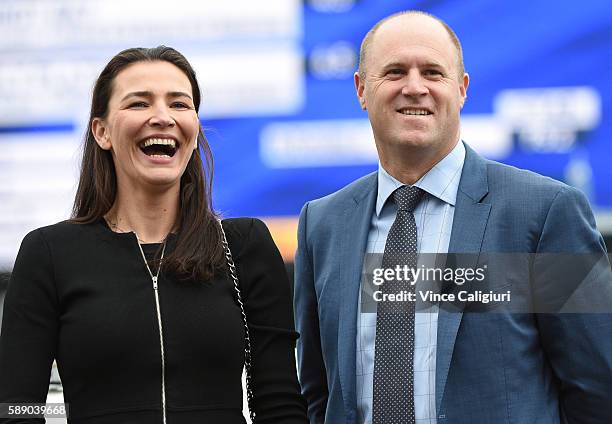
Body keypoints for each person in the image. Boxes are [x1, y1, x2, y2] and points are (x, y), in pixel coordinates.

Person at [294, 10, 612, 424]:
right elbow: (319, 395)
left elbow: (598, 388)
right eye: (393, 72)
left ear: (461, 89)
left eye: (432, 72)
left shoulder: (547, 212)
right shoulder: (323, 225)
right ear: (361, 90)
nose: (414, 87)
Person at [0, 46, 307, 423]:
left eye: (179, 104)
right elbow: (16, 407)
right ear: (102, 132)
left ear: (195, 127)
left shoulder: (245, 245)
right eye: (139, 104)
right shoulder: (48, 252)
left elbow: (280, 404)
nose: (162, 117)